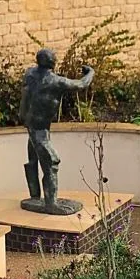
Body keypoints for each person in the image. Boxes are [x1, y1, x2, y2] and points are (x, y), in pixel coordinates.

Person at [19, 48, 94, 214]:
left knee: (33, 159)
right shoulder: (55, 81)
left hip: (31, 124)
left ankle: (35, 196)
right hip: (39, 128)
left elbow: (26, 94)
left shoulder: (30, 73)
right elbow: (82, 84)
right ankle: (51, 204)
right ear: (53, 63)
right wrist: (90, 72)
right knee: (51, 162)